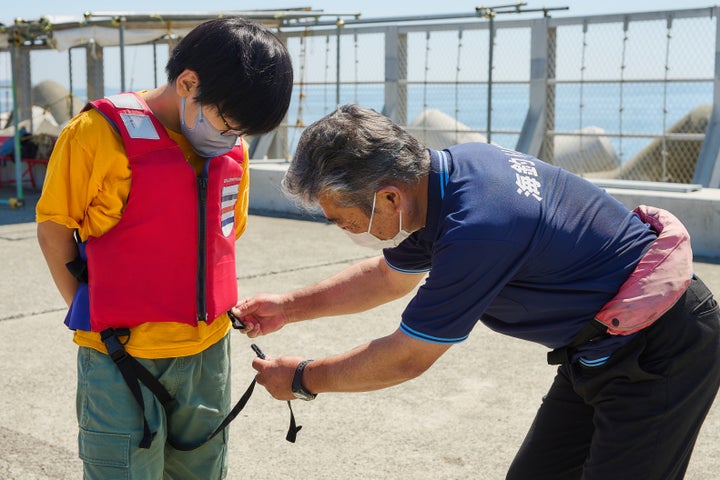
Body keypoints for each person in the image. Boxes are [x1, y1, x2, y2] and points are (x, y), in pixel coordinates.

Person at [232, 104, 720, 479]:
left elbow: (406, 357)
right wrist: (288, 308)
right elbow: (387, 278)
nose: (343, 229)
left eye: (342, 219)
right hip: (594, 349)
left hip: (661, 349)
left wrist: (301, 378)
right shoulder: (448, 176)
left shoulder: (480, 228)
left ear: (388, 196)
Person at [36, 17, 293, 479]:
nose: (233, 140)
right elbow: (54, 227)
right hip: (121, 357)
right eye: (230, 123)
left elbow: (224, 235)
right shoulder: (95, 134)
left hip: (207, 356)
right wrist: (85, 306)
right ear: (188, 82)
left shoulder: (230, 153)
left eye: (243, 133)